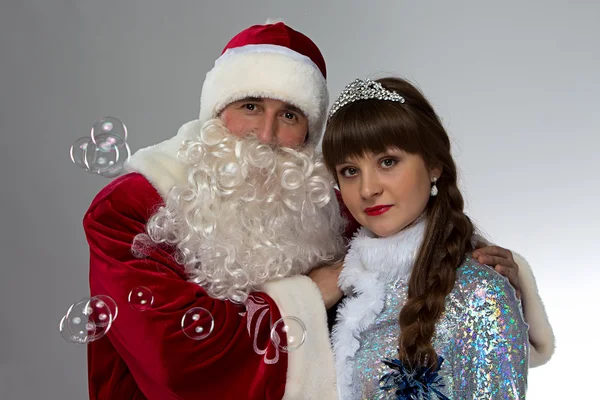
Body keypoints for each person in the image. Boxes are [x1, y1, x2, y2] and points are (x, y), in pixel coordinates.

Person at [83, 21, 551, 399]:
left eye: (289, 115)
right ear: (216, 112)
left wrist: (490, 266)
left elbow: (411, 236)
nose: (265, 135)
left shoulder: (322, 200)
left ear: (309, 135)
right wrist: (309, 292)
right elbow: (177, 363)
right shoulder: (134, 208)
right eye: (250, 106)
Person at [323, 77, 547, 399]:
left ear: (433, 166)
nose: (367, 189)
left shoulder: (479, 294)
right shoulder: (339, 288)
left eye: (388, 162)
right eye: (350, 170)